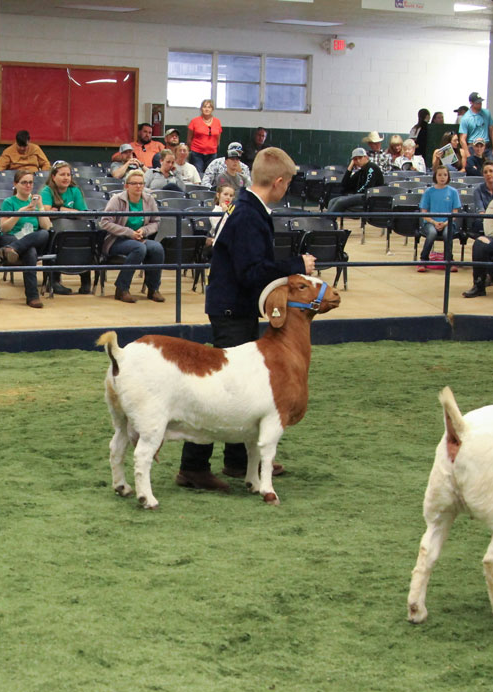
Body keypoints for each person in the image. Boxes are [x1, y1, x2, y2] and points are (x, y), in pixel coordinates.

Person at [176, 147, 317, 490]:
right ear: (279, 182)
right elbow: (252, 272)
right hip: (233, 309)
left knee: (238, 387)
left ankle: (237, 461)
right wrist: (297, 266)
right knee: (222, 390)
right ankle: (193, 466)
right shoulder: (249, 215)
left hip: (232, 307)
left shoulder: (245, 209)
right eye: (288, 183)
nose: (288, 188)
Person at [99, 169, 164, 304]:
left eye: (141, 183)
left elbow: (156, 222)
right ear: (126, 185)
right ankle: (122, 289)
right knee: (139, 248)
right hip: (116, 240)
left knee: (157, 248)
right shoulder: (117, 199)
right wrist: (129, 232)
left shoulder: (149, 199)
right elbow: (105, 222)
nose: (138, 186)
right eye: (134, 183)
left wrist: (144, 231)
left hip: (140, 238)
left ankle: (153, 289)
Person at [0, 169, 51, 309]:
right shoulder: (9, 202)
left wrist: (40, 207)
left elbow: (46, 226)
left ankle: (12, 249)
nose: (28, 185)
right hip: (11, 237)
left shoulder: (36, 203)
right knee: (30, 251)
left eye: (31, 182)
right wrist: (19, 213)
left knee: (44, 234)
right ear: (15, 184)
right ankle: (33, 297)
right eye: (24, 182)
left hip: (28, 239)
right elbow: (4, 228)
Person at [41, 160, 90, 295]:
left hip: (75, 229)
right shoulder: (47, 191)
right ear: (53, 176)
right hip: (55, 231)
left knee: (85, 237)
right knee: (56, 240)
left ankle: (85, 280)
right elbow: (46, 212)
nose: (66, 178)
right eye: (62, 174)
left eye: (68, 175)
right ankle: (54, 281)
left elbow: (82, 214)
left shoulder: (75, 190)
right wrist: (70, 212)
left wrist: (59, 209)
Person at [417, 163, 461, 268]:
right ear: (435, 176)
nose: (442, 177)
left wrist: (445, 223)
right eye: (440, 175)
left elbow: (455, 212)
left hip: (448, 222)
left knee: (447, 234)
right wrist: (434, 222)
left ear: (448, 176)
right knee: (432, 233)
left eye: (445, 175)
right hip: (431, 222)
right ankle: (423, 259)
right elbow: (424, 212)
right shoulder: (428, 192)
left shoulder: (453, 192)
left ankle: (448, 260)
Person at [325, 146, 383, 215]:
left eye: (360, 158)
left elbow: (368, 186)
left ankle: (327, 220)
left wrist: (355, 194)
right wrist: (350, 168)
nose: (358, 161)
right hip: (361, 196)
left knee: (339, 202)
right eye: (355, 159)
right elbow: (344, 185)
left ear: (366, 157)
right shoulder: (360, 171)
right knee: (332, 201)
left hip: (370, 197)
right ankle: (329, 220)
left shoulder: (371, 167)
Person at [186, 99, 221, 175]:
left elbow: (218, 139)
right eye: (205, 107)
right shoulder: (194, 121)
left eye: (209, 107)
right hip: (197, 153)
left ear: (212, 109)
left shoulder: (217, 122)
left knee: (210, 174)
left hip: (212, 154)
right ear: (201, 108)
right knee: (199, 174)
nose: (207, 109)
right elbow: (189, 139)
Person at [458, 92, 493, 164]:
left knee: (490, 165)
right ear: (471, 103)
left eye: (480, 102)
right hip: (473, 147)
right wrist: (468, 155)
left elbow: (492, 131)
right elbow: (462, 139)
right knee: (474, 167)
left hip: (486, 146)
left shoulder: (486, 113)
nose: (480, 104)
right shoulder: (466, 118)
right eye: (477, 103)